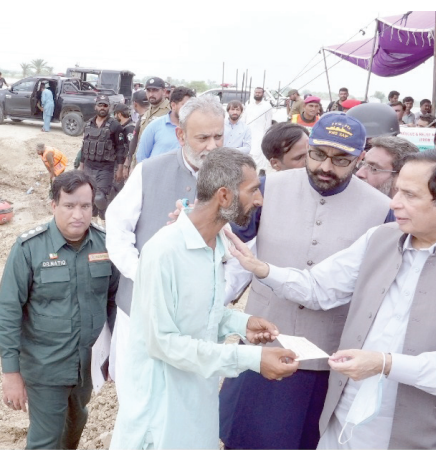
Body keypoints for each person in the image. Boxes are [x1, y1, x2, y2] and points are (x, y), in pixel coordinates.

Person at [227, 147, 436, 449]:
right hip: (344, 418)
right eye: (396, 190)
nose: (394, 203)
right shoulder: (381, 238)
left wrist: (385, 364)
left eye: (410, 195)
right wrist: (262, 268)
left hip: (423, 431)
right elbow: (319, 288)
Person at [220, 113, 392, 450]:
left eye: (341, 160)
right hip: (262, 343)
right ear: (308, 149)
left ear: (359, 159)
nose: (327, 167)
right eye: (318, 155)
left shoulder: (382, 210)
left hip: (326, 358)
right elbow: (227, 238)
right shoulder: (268, 188)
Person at [109, 148, 299, 450]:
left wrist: (242, 323)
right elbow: (164, 343)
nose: (259, 200)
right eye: (252, 191)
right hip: (161, 413)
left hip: (198, 403)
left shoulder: (216, 245)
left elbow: (203, 314)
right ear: (224, 196)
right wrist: (251, 358)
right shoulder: (164, 252)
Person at [105, 95, 225, 393]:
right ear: (181, 135)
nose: (212, 146)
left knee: (185, 394)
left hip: (196, 315)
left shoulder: (232, 178)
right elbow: (117, 229)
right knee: (136, 392)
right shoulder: (148, 171)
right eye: (203, 138)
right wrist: (141, 271)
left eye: (218, 136)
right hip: (141, 305)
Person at [0, 171, 119, 450]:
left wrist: (115, 352)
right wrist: (11, 373)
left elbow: (114, 302)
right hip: (45, 366)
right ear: (54, 206)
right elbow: (8, 313)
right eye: (69, 205)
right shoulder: (29, 248)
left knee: (76, 422)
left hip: (87, 365)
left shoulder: (106, 244)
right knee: (46, 438)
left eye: (85, 206)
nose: (78, 214)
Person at [80, 94, 127, 220]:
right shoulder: (88, 124)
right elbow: (84, 147)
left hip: (106, 168)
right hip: (89, 166)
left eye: (105, 105)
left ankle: (105, 212)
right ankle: (95, 216)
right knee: (89, 196)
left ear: (109, 107)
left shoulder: (115, 126)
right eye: (100, 105)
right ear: (96, 107)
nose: (102, 107)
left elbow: (121, 149)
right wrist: (81, 166)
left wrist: (120, 169)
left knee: (99, 197)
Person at [136, 86, 195, 162]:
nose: (190, 109)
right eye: (186, 106)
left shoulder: (195, 128)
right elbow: (141, 156)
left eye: (192, 106)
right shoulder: (155, 126)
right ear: (173, 105)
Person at [243, 86, 273, 172]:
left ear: (263, 94)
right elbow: (245, 119)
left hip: (260, 133)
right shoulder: (249, 105)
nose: (257, 94)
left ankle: (260, 171)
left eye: (259, 93)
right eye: (256, 92)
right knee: (248, 152)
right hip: (248, 132)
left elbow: (268, 121)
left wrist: (266, 134)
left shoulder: (267, 106)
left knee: (258, 153)